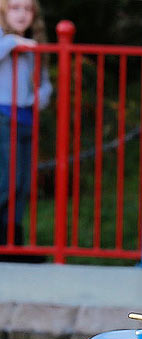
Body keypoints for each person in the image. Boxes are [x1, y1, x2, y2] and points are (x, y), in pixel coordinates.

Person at [0, 0, 49, 254]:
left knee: (22, 183)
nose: (21, 14)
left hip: (27, 118)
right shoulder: (6, 39)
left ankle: (13, 241)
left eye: (27, 9)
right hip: (4, 116)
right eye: (15, 8)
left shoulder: (31, 43)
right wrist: (13, 42)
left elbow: (44, 81)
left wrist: (42, 94)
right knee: (6, 181)